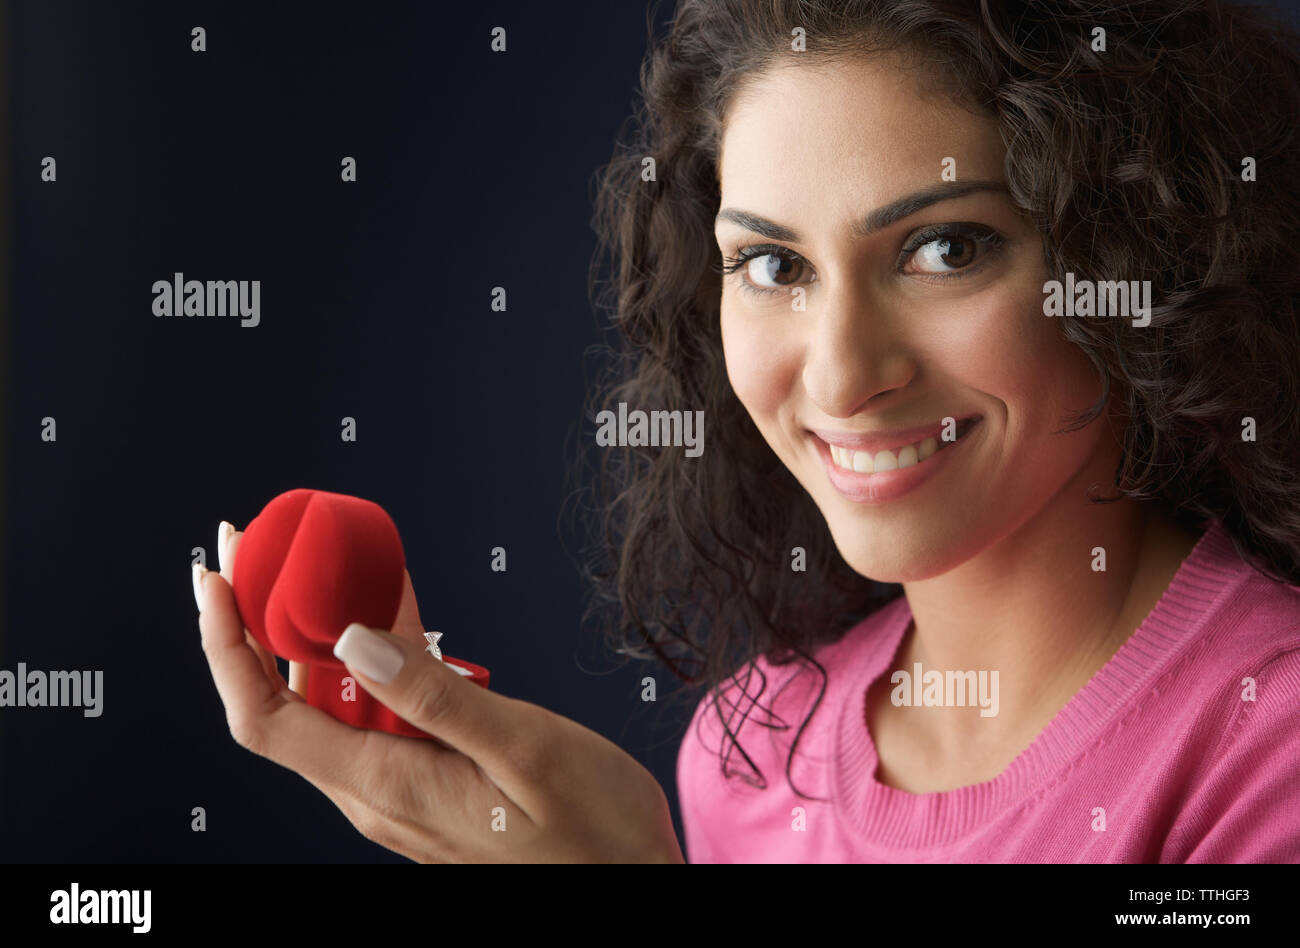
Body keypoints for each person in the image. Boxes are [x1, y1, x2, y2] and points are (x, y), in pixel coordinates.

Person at [196, 0, 1300, 862]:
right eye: (773, 265)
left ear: (1131, 256)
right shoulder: (751, 756)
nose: (839, 371)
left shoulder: (1268, 745)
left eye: (945, 249)